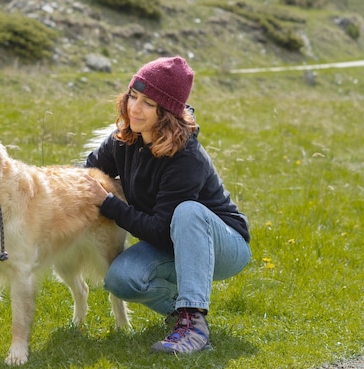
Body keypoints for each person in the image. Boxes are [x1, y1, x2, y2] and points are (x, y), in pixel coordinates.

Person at [85, 56, 251, 355]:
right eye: (133, 96)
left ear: (166, 112)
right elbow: (86, 175)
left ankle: (194, 324)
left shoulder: (186, 157)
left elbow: (161, 232)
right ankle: (180, 317)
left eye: (148, 103)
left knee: (187, 211)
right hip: (172, 242)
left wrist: (109, 203)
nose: (134, 108)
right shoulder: (124, 140)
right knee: (120, 279)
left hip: (224, 243)